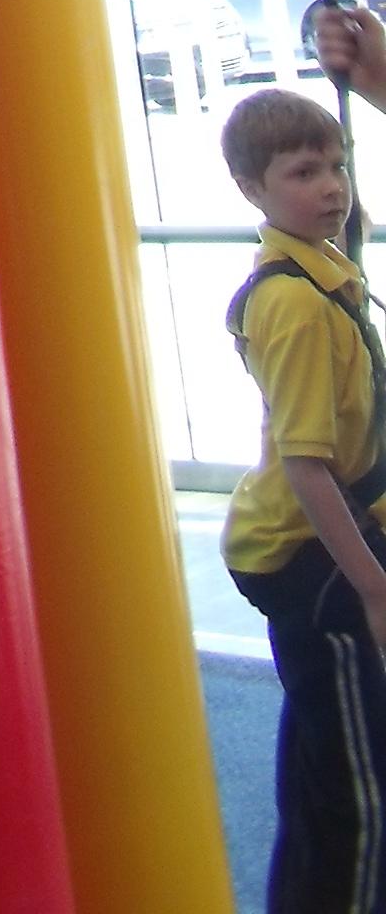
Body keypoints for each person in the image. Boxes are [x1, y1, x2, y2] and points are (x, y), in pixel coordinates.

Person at [222, 83, 386, 908]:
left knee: (326, 750)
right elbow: (307, 467)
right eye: (303, 173)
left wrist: (348, 68)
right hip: (312, 555)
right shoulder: (291, 302)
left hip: (328, 538)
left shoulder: (322, 266)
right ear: (253, 189)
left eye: (338, 167)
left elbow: (351, 220)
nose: (331, 188)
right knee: (365, 787)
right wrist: (374, 589)